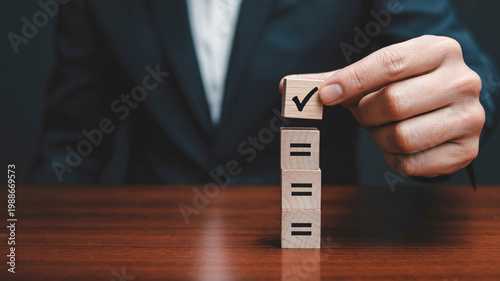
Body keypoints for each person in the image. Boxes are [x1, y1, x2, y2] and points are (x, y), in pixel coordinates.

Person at [33, 0, 500, 184]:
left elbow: (458, 66)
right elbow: (70, 145)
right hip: (151, 244)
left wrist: (460, 106)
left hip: (317, 250)